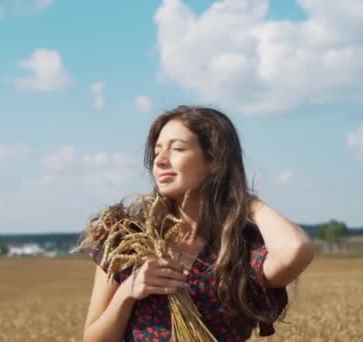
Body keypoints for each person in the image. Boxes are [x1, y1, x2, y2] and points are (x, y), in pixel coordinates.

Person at [78, 105, 314, 341]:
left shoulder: (240, 247)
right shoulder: (128, 240)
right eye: (157, 151)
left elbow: (296, 250)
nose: (159, 161)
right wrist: (128, 292)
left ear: (215, 162)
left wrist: (245, 199)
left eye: (177, 148)